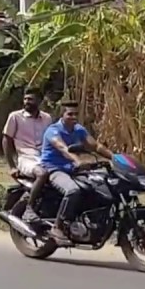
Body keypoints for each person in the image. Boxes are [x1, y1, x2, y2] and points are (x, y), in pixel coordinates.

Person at [39, 101, 114, 241]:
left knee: (99, 186)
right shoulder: (53, 130)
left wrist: (115, 158)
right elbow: (63, 148)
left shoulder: (79, 129)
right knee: (73, 190)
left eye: (76, 114)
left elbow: (95, 146)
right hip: (54, 169)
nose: (73, 117)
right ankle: (58, 226)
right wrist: (78, 161)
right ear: (62, 115)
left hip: (72, 169)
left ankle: (91, 222)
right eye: (70, 114)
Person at [1, 89, 53, 215]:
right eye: (25, 99)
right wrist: (12, 167)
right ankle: (29, 209)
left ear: (39, 101)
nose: (26, 102)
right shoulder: (15, 117)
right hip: (26, 158)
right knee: (42, 174)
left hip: (45, 156)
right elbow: (6, 140)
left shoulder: (47, 118)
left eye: (30, 99)